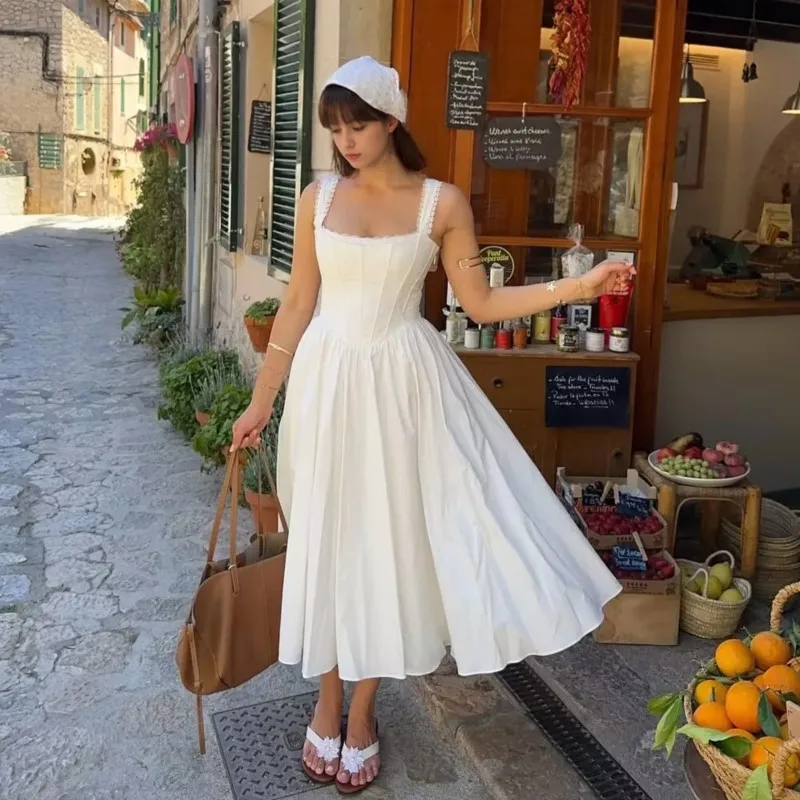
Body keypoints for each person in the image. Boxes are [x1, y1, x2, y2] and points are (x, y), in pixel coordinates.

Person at [230, 56, 633, 795]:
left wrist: (582, 283)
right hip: (324, 383)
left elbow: (479, 305)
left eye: (359, 125)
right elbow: (294, 309)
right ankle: (325, 697)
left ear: (391, 121)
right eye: (336, 128)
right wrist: (262, 400)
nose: (346, 141)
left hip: (405, 388)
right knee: (324, 537)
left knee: (390, 545)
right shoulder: (317, 197)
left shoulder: (440, 203)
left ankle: (362, 710)